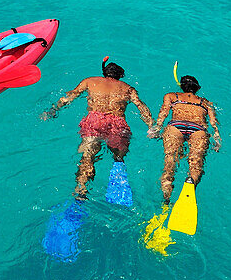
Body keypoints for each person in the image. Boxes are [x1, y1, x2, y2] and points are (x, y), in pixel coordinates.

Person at [41, 58, 154, 200]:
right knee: (119, 155)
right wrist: (151, 126)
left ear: (104, 73)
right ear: (119, 76)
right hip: (117, 123)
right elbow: (141, 107)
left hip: (94, 122)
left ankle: (81, 189)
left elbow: (69, 97)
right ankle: (118, 166)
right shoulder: (127, 88)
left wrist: (53, 110)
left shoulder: (90, 81)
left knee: (87, 157)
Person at [149, 72, 220, 204]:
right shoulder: (206, 103)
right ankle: (190, 185)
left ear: (181, 87)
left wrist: (157, 128)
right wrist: (217, 139)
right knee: (196, 164)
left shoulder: (171, 96)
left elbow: (163, 113)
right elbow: (213, 123)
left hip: (176, 127)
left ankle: (166, 196)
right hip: (198, 129)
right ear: (197, 88)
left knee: (170, 161)